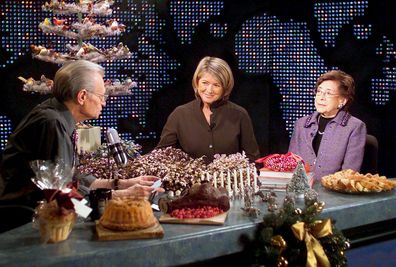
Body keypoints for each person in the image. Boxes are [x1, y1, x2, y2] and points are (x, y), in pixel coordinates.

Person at [0, 60, 161, 231]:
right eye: (101, 96)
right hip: (21, 221)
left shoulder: (55, 115)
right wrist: (122, 197)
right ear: (82, 96)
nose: (104, 103)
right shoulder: (52, 123)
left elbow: (71, 179)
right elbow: (60, 193)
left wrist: (119, 184)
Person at [157, 56, 260, 163]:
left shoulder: (239, 115)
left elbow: (252, 159)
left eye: (216, 85)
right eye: (205, 83)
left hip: (229, 179)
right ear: (197, 82)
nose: (209, 90)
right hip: (191, 179)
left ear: (225, 87)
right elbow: (161, 155)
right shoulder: (180, 114)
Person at [288, 70, 366, 181]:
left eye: (328, 93)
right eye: (319, 92)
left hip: (334, 194)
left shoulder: (355, 127)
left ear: (342, 100)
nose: (321, 97)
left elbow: (349, 175)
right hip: (300, 191)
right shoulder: (301, 124)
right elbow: (290, 164)